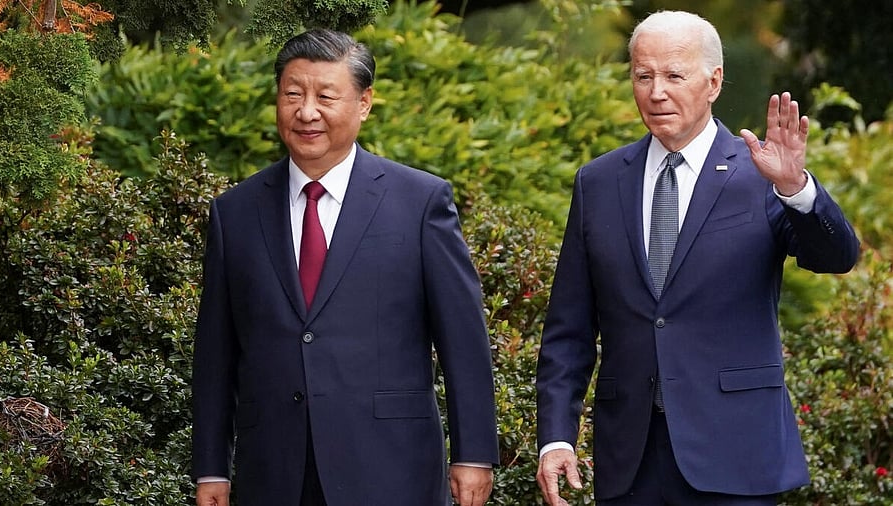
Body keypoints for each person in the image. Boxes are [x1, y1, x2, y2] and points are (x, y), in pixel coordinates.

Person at [535, 10, 859, 506]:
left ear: (714, 81)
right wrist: (557, 435)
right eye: (643, 76)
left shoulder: (762, 176)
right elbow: (568, 330)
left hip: (736, 456)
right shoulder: (598, 183)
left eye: (673, 75)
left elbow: (836, 256)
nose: (656, 91)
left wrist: (796, 189)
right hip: (630, 462)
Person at [191, 28, 499, 506]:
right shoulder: (235, 212)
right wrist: (211, 467)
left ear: (364, 103)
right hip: (273, 471)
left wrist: (474, 453)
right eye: (293, 94)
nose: (306, 111)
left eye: (325, 96)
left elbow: (463, 339)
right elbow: (215, 353)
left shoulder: (419, 202)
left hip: (392, 469)